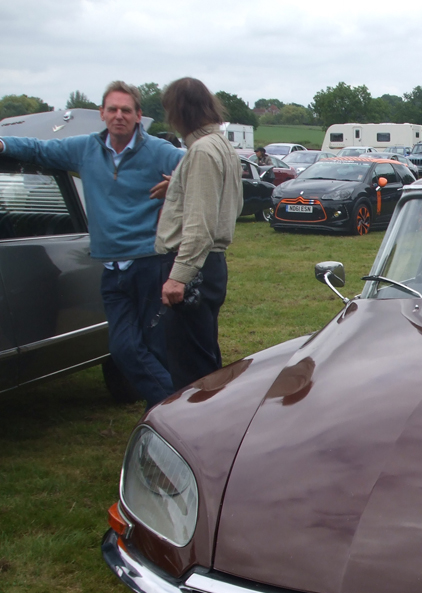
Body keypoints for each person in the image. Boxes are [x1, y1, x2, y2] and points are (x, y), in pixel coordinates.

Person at [0, 82, 185, 408]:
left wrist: (179, 184)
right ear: (102, 113)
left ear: (138, 115)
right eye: (112, 109)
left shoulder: (159, 151)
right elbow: (39, 150)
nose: (118, 116)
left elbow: (206, 169)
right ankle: (177, 413)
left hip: (150, 264)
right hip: (111, 269)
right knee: (123, 349)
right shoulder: (85, 148)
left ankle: (165, 416)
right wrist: (3, 143)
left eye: (126, 110)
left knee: (156, 349)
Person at [156, 77, 243, 391]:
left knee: (191, 372)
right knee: (203, 357)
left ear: (178, 111)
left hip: (195, 269)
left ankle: (203, 421)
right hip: (209, 266)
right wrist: (179, 187)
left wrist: (178, 276)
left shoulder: (203, 151)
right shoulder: (221, 145)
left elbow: (200, 225)